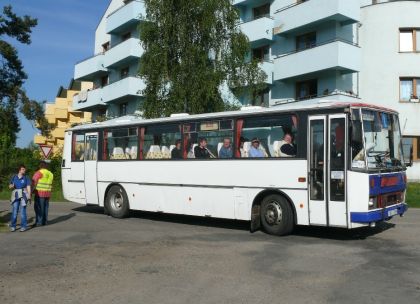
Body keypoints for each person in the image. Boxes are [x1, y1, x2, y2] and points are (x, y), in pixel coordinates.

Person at [9, 165, 31, 232]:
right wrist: (11, 186)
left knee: (23, 212)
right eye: (23, 169)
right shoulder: (14, 177)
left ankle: (23, 226)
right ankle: (13, 226)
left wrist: (29, 196)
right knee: (15, 211)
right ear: (19, 170)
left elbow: (28, 187)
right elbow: (10, 186)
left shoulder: (26, 177)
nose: (24, 170)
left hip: (23, 195)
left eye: (24, 169)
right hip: (15, 195)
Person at [32, 161, 54, 227]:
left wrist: (31, 191)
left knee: (39, 208)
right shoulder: (50, 173)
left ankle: (39, 222)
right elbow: (51, 183)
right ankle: (45, 221)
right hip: (47, 193)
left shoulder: (39, 172)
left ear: (40, 166)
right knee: (45, 208)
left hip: (40, 193)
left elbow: (33, 182)